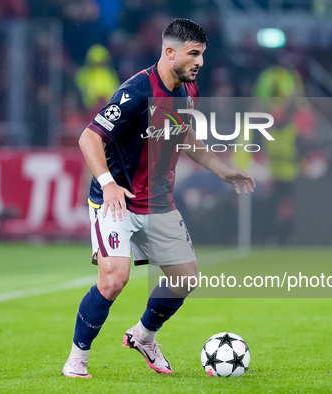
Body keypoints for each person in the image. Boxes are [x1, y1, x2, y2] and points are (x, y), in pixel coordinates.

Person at [62, 18, 255, 378]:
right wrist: (107, 183)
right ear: (170, 52)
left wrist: (222, 169)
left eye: (202, 55)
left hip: (158, 201)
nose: (200, 62)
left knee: (185, 278)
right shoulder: (137, 91)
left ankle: (143, 336)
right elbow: (89, 138)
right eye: (193, 54)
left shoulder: (188, 91)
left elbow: (185, 139)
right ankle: (77, 357)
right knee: (113, 279)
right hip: (116, 198)